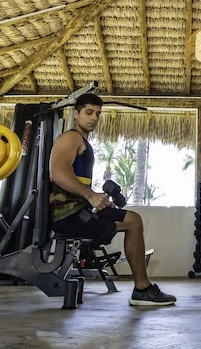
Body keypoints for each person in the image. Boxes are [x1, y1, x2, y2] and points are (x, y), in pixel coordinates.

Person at [49, 93, 176, 307]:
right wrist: (90, 195)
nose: (94, 118)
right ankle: (142, 289)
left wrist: (96, 199)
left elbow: (73, 180)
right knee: (133, 221)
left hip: (77, 210)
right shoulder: (71, 138)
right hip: (67, 216)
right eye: (89, 112)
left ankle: (142, 288)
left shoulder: (81, 141)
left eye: (98, 114)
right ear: (76, 114)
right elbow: (58, 173)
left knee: (133, 219)